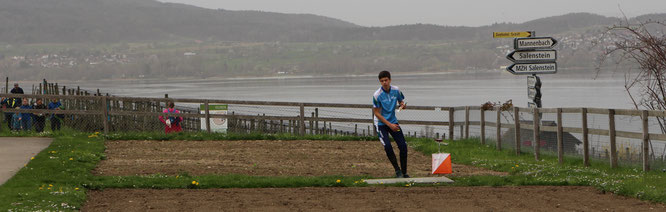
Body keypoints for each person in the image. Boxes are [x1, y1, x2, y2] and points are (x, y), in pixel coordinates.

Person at [372, 70, 409, 178]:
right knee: (388, 146)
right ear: (380, 82)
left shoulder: (396, 90)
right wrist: (389, 125)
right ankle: (397, 170)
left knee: (403, 146)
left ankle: (404, 172)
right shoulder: (377, 95)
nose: (384, 82)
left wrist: (402, 105)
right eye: (382, 81)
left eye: (386, 80)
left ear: (390, 80)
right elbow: (376, 113)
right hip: (381, 123)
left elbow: (401, 101)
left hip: (393, 121)